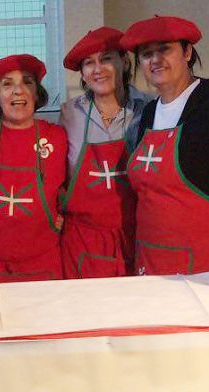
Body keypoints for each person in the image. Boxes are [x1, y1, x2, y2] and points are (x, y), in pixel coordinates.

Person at [122, 16, 209, 275]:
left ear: (187, 52)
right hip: (150, 261)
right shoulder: (149, 113)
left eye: (165, 49)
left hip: (205, 265)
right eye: (146, 54)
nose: (155, 60)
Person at [0, 54, 67, 283]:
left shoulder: (56, 136)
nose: (18, 91)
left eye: (27, 82)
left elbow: (72, 187)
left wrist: (62, 214)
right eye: (7, 84)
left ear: (37, 92)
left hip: (42, 267)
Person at [58, 27, 152, 278]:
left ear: (123, 61)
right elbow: (55, 175)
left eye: (106, 58)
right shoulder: (69, 114)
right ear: (82, 74)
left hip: (136, 234)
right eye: (89, 63)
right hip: (83, 239)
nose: (97, 69)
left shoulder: (150, 109)